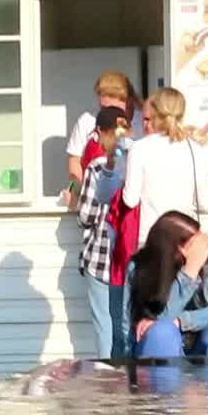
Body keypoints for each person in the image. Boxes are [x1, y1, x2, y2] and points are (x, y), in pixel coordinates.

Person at [127, 212, 208, 359]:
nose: (201, 250)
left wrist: (181, 321)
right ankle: (163, 375)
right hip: (156, 348)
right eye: (194, 245)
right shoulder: (140, 267)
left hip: (201, 348)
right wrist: (189, 273)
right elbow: (158, 318)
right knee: (162, 332)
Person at [76, 107, 132, 358]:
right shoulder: (138, 162)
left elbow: (86, 216)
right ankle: (129, 375)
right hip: (129, 256)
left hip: (100, 257)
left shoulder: (97, 167)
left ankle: (107, 376)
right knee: (125, 324)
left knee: (104, 325)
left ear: (100, 132)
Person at [122, 87, 208, 249]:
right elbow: (204, 204)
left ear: (155, 112)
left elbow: (130, 200)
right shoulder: (195, 148)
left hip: (150, 238)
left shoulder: (140, 148)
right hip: (184, 239)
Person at [64, 71, 142, 201]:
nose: (108, 114)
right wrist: (74, 190)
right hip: (95, 200)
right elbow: (75, 163)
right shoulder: (87, 121)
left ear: (129, 101)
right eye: (104, 108)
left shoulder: (144, 122)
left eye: (114, 109)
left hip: (131, 199)